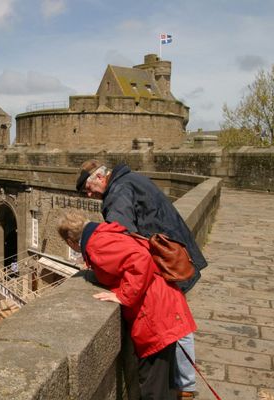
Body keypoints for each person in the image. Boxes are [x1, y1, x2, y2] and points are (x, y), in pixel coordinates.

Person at [76, 160, 207, 399]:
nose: (88, 193)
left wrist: (118, 286)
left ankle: (185, 387)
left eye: (87, 187)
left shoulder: (118, 194)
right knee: (178, 320)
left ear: (100, 177)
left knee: (175, 323)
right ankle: (185, 384)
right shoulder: (131, 179)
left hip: (167, 263)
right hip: (177, 254)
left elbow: (124, 241)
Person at [57, 211, 196, 399]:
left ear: (71, 242)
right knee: (164, 383)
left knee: (152, 387)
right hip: (164, 304)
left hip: (155, 314)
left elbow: (141, 259)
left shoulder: (96, 245)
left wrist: (124, 296)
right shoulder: (103, 233)